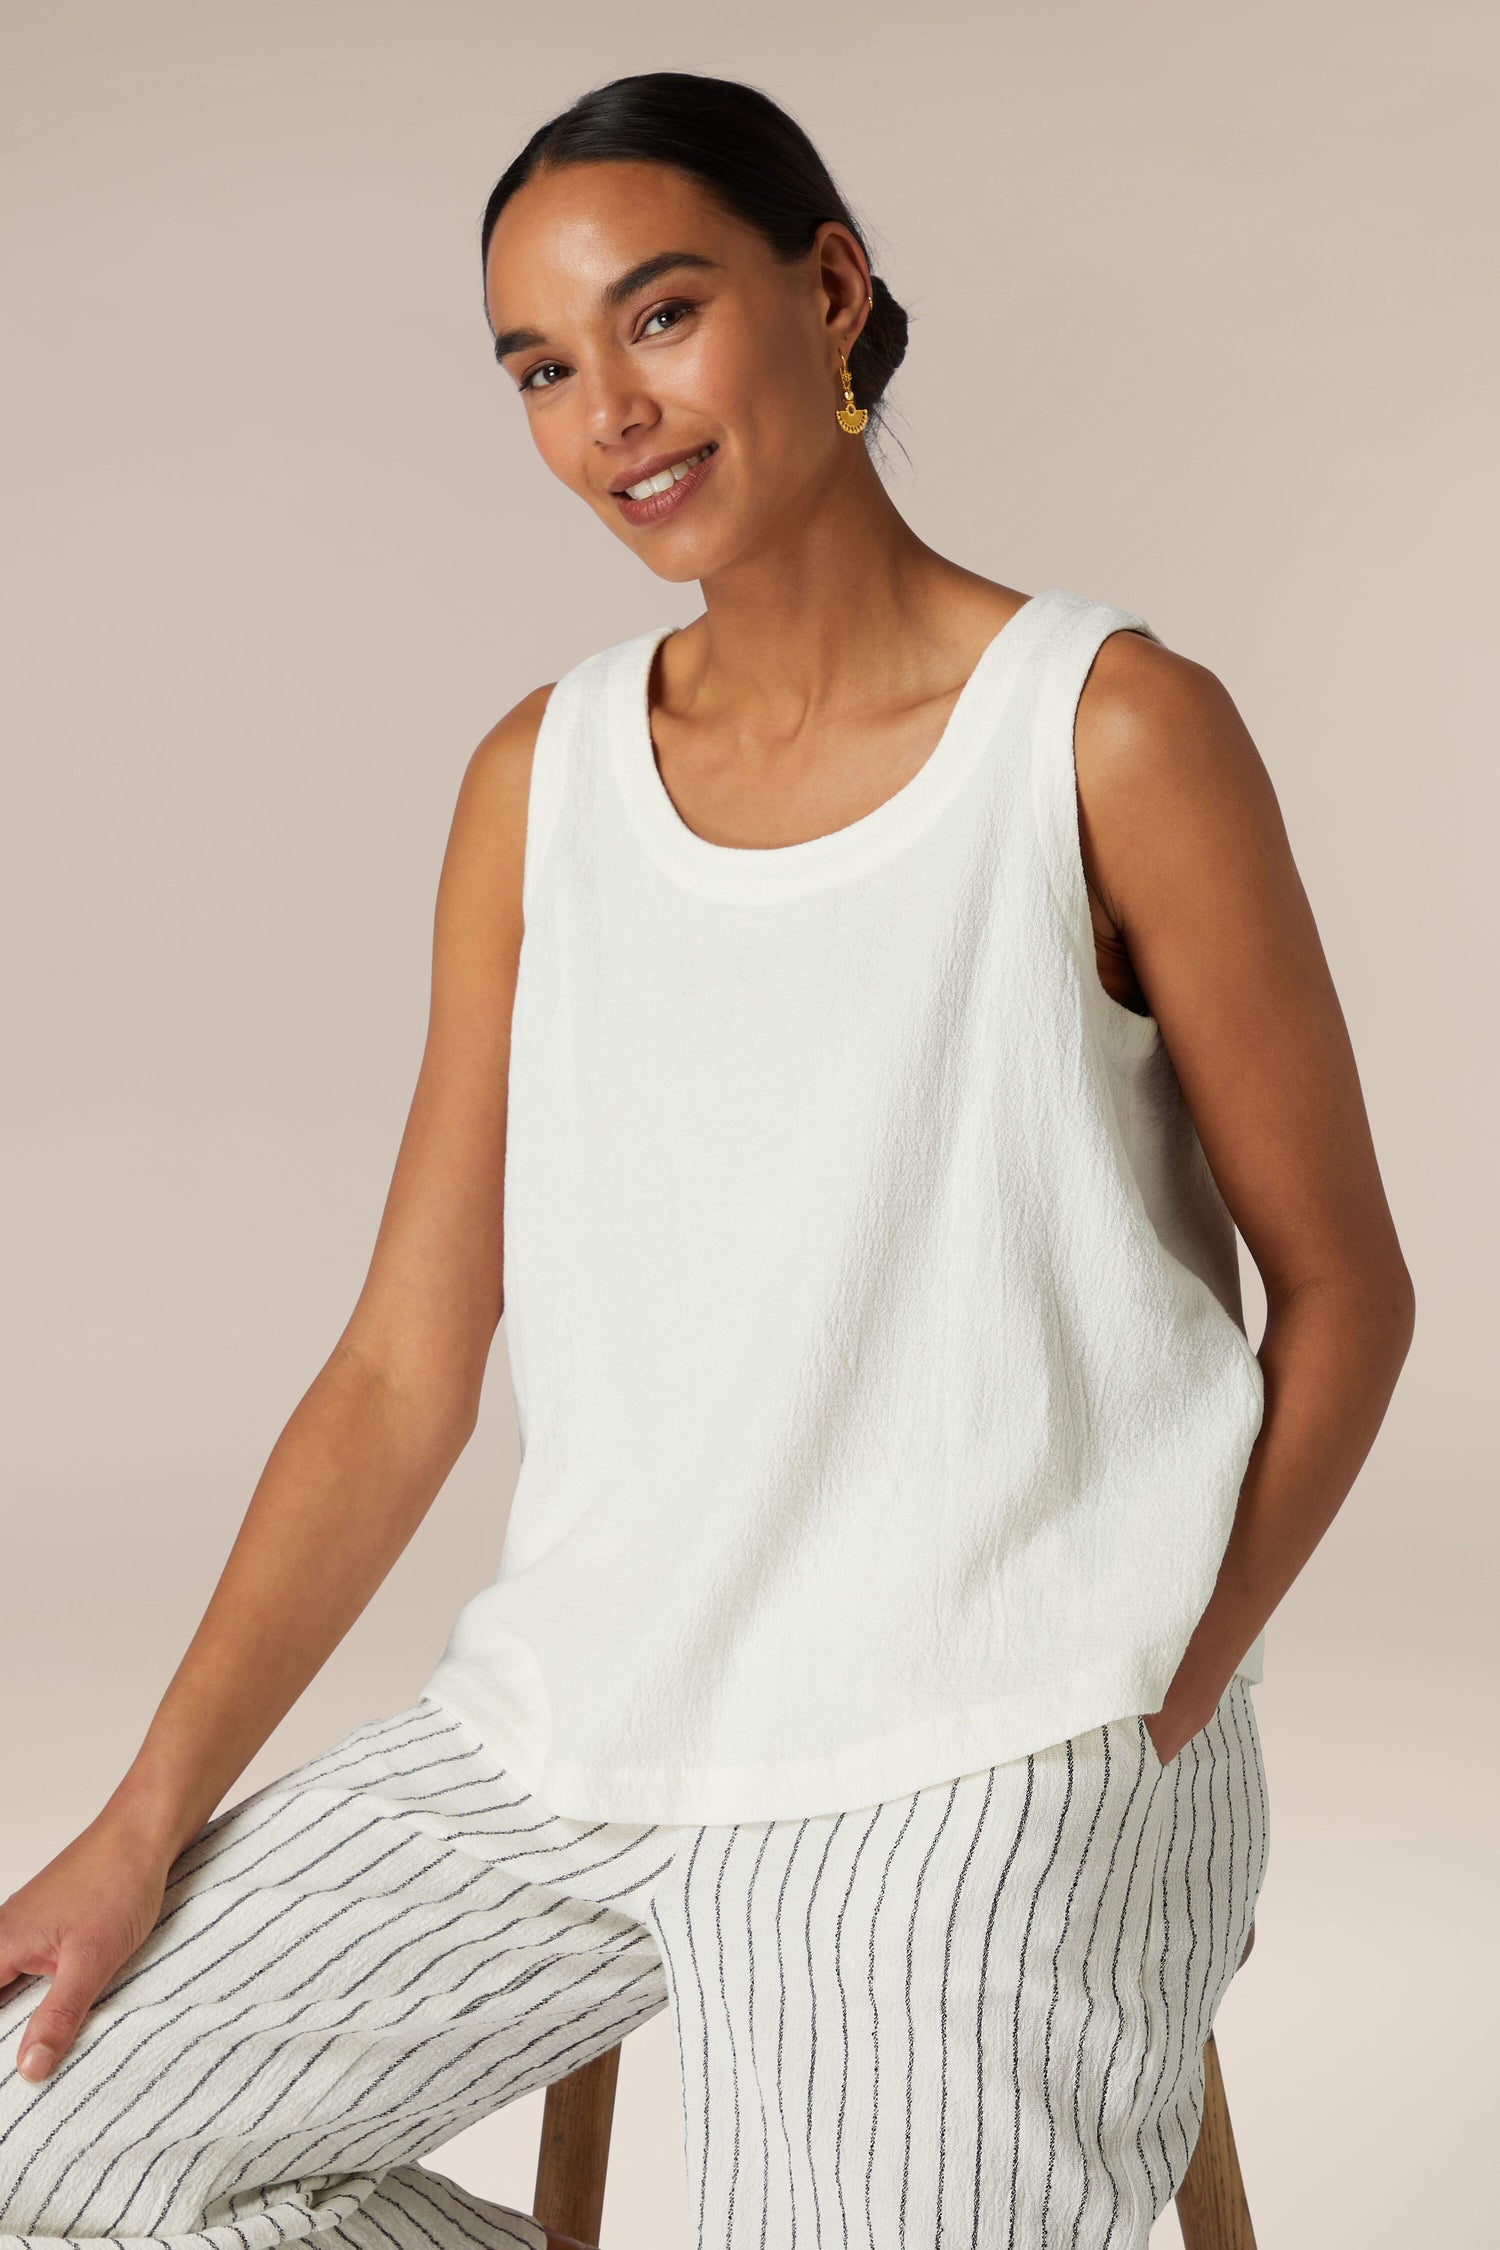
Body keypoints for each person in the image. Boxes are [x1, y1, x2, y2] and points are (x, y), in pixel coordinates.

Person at [0, 67, 1414, 2250]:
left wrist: (1172, 1663)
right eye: (542, 371)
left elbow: (1346, 1290)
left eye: (660, 319)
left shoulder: (1108, 730)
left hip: (981, 1754)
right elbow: (402, 1363)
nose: (608, 418)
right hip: (568, 1746)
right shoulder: (538, 783)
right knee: (39, 2138)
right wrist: (136, 1820)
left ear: (828, 290)